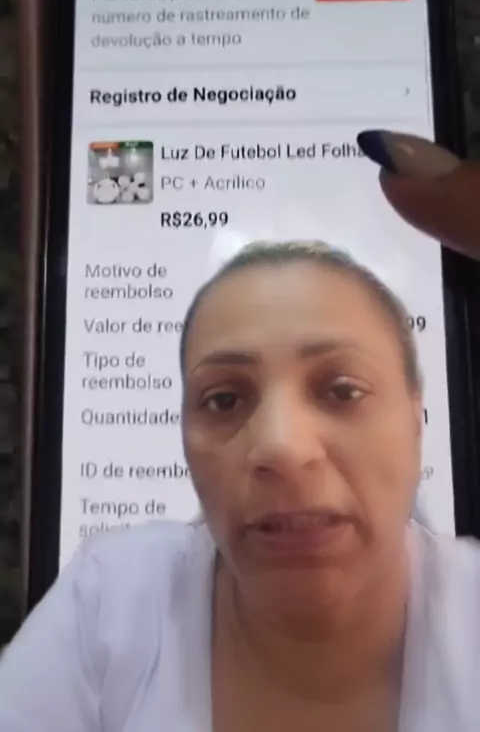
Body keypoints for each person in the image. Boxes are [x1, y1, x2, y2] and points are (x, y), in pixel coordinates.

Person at [1, 130, 480, 732]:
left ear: (415, 415)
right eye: (223, 399)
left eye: (341, 390)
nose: (280, 446)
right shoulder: (109, 605)